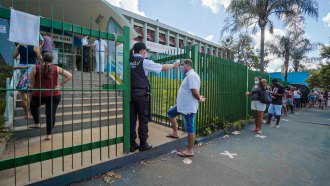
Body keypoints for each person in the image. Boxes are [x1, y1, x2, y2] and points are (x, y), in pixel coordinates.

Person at [129, 42, 180, 152]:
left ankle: (132, 144)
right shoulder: (144, 62)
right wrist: (174, 65)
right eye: (146, 51)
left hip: (130, 94)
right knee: (143, 118)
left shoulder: (128, 61)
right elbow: (163, 67)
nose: (146, 53)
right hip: (141, 94)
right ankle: (143, 143)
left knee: (132, 119)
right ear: (142, 51)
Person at [166, 59, 205, 157]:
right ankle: (175, 133)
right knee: (170, 113)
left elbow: (194, 91)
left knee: (189, 128)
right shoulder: (188, 76)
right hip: (181, 106)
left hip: (188, 108)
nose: (180, 67)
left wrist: (199, 98)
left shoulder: (192, 76)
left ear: (188, 65)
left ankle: (190, 150)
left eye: (182, 65)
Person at [29, 52, 72, 140]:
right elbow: (69, 76)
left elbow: (32, 82)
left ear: (42, 59)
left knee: (33, 106)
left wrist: (33, 85)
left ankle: (37, 123)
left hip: (39, 94)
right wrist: (59, 84)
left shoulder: (35, 68)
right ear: (52, 60)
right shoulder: (56, 68)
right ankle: (49, 134)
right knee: (50, 114)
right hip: (54, 94)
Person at [13, 44, 42, 119]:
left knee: (23, 96)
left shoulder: (19, 46)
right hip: (32, 69)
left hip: (22, 68)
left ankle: (27, 114)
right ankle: (32, 112)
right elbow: (39, 59)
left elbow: (14, 56)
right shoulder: (35, 47)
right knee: (31, 94)